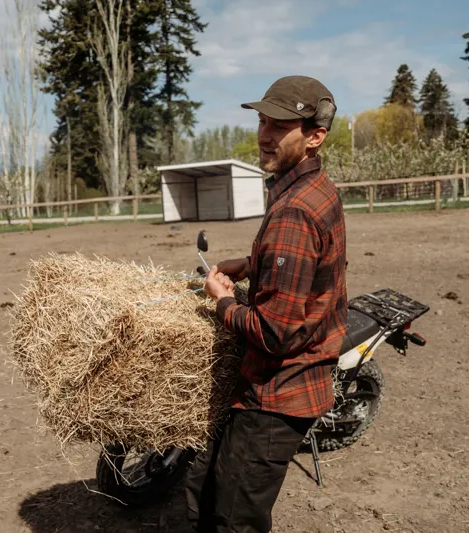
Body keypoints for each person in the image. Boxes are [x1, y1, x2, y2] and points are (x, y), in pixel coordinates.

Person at [185, 75, 349, 533]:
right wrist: (253, 262)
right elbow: (310, 270)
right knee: (204, 488)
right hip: (280, 384)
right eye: (262, 121)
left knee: (234, 519)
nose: (264, 134)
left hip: (276, 395)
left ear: (315, 135)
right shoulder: (314, 190)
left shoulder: (294, 211)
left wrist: (222, 302)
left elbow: (276, 332)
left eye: (280, 125)